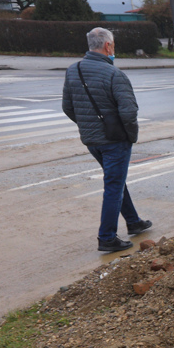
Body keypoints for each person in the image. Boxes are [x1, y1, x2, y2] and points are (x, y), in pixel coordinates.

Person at [62, 27, 152, 253]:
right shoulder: (115, 74)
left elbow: (67, 107)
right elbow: (129, 112)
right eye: (114, 45)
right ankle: (107, 237)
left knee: (116, 180)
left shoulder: (74, 71)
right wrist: (130, 136)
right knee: (113, 186)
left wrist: (88, 127)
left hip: (92, 141)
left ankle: (133, 221)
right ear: (108, 46)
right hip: (115, 141)